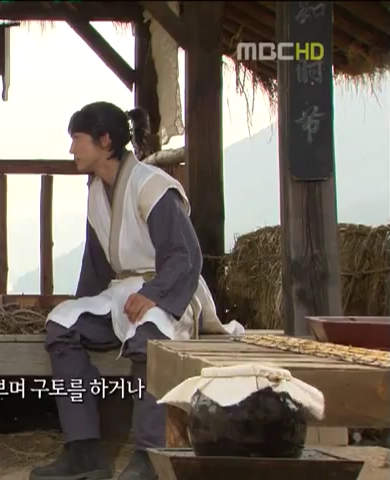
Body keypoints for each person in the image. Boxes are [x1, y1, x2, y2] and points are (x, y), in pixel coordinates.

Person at [29, 102, 244, 480]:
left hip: (169, 289)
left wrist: (155, 294)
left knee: (148, 335)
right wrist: (82, 304)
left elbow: (184, 255)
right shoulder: (97, 191)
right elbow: (96, 263)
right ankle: (84, 449)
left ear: (105, 141)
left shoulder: (151, 185)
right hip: (123, 292)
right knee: (62, 326)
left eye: (77, 139)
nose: (72, 149)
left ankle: (149, 454)